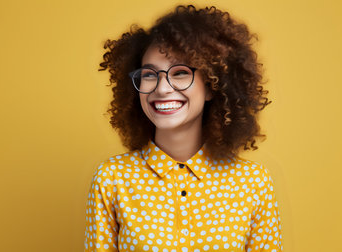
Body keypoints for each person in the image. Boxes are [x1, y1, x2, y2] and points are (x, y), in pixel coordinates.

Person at [84, 4, 282, 252]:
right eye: (149, 75)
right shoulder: (111, 179)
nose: (162, 88)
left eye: (179, 73)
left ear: (211, 85)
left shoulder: (253, 183)